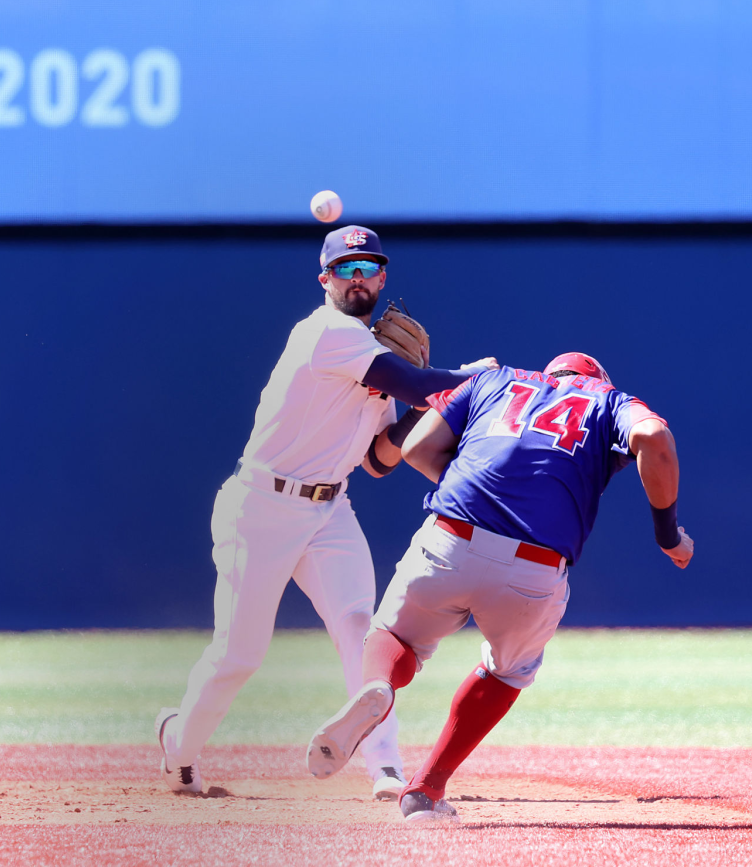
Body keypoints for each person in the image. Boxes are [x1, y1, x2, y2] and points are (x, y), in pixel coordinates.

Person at [155, 225, 497, 801]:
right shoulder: (326, 333)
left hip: (329, 510)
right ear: (325, 280)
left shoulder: (374, 360)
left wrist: (428, 404)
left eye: (368, 269)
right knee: (240, 653)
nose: (358, 279)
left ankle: (386, 767)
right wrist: (479, 380)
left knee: (362, 631)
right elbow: (415, 384)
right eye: (346, 269)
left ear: (383, 279)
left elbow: (380, 460)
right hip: (260, 507)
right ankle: (179, 747)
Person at [306, 351, 694, 820]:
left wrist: (481, 491)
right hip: (534, 564)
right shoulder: (609, 402)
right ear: (597, 380)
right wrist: (667, 534)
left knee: (395, 638)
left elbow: (416, 449)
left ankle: (379, 687)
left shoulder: (496, 380)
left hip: (451, 538)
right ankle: (425, 792)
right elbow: (653, 436)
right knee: (508, 671)